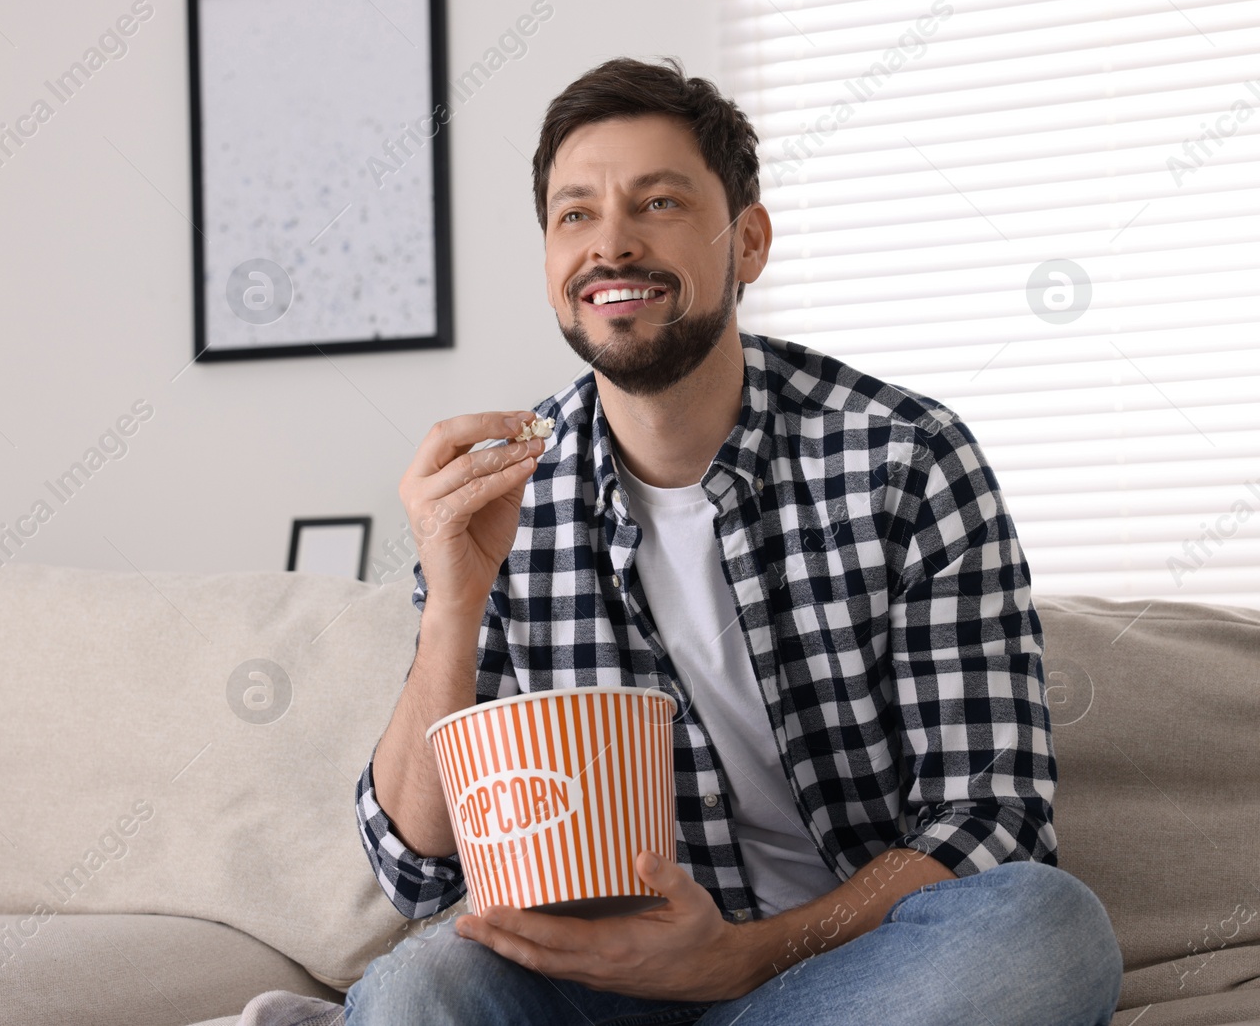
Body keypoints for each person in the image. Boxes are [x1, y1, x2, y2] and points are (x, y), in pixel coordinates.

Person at [345, 57, 1123, 1025]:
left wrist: (737, 959)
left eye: (658, 201)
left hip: (852, 965)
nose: (611, 244)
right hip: (600, 982)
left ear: (747, 241)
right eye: (574, 214)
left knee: (1046, 929)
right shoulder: (505, 492)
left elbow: (992, 822)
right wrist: (453, 598)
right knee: (420, 983)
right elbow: (416, 868)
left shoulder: (904, 457)